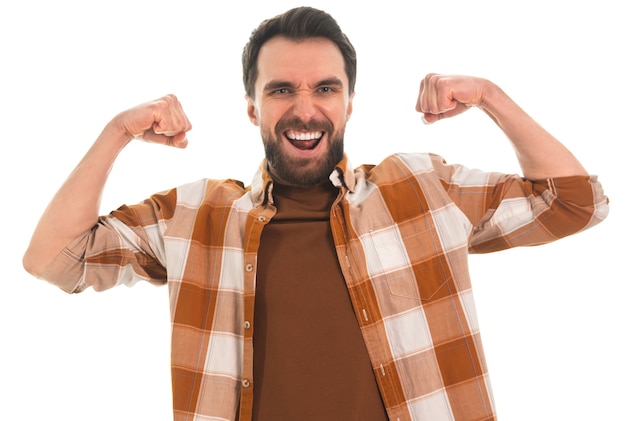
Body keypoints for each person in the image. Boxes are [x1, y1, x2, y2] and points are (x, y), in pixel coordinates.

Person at [22, 6, 608, 421]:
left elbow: (575, 202)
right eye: (281, 91)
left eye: (325, 89)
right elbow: (55, 259)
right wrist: (115, 132)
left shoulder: (421, 190)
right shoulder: (196, 216)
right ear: (252, 108)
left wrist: (490, 96)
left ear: (349, 101)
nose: (305, 109)